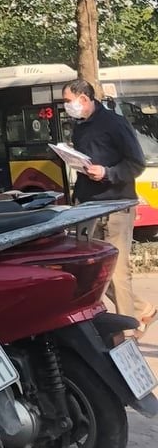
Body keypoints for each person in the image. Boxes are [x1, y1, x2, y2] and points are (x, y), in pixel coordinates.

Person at [63, 77, 153, 334]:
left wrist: (107, 173)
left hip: (116, 207)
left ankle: (127, 332)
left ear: (84, 98)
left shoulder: (115, 123)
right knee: (92, 272)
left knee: (117, 273)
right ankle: (141, 309)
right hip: (89, 207)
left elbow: (136, 164)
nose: (66, 106)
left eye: (68, 101)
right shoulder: (80, 126)